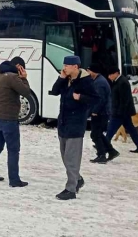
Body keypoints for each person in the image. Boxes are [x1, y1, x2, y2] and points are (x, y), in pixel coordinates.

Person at [49, 56, 99, 200]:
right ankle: (77, 179)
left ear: (75, 67)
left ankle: (70, 189)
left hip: (76, 124)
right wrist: (61, 78)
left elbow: (96, 99)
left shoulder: (86, 81)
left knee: (71, 158)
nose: (64, 68)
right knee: (65, 156)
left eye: (67, 65)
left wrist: (81, 98)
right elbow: (55, 91)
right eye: (64, 65)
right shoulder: (66, 79)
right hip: (63, 123)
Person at [0, 57, 31, 188]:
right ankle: (14, 180)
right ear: (19, 66)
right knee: (13, 149)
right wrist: (24, 78)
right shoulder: (12, 77)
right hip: (8, 119)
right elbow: (26, 92)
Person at [106, 67, 138, 154]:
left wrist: (119, 112)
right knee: (131, 130)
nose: (109, 77)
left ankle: (104, 145)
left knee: (111, 129)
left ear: (116, 73)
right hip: (123, 112)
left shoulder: (122, 82)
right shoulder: (117, 81)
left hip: (121, 112)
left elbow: (124, 99)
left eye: (110, 75)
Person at [86, 63, 117, 164]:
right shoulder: (99, 80)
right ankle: (111, 151)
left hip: (100, 113)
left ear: (93, 71)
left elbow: (100, 99)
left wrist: (95, 111)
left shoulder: (99, 83)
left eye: (88, 71)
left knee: (95, 135)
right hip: (102, 112)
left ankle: (102, 155)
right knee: (97, 134)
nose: (87, 73)